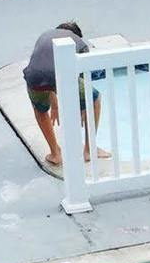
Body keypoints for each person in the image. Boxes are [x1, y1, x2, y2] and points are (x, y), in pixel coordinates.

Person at [23, 19, 108, 177]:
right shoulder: (80, 44)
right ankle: (89, 150)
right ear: (76, 34)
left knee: (40, 110)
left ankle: (55, 153)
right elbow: (81, 77)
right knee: (95, 99)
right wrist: (84, 106)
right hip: (59, 76)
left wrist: (54, 105)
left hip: (33, 77)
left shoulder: (45, 35)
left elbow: (44, 68)